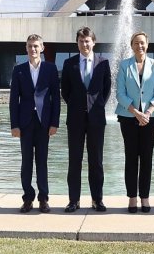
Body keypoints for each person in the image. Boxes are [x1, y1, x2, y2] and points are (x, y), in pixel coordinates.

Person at [60, 26, 111, 213]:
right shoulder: (69, 63)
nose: (84, 44)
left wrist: (95, 107)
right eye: (81, 41)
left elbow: (106, 90)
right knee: (74, 160)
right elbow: (65, 91)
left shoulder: (103, 63)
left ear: (93, 42)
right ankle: (73, 201)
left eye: (87, 41)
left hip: (96, 119)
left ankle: (97, 200)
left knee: (96, 161)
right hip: (75, 119)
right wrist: (77, 105)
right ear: (77, 43)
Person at [9, 34, 61, 213]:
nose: (33, 49)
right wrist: (14, 125)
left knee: (42, 162)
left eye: (36, 46)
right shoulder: (19, 70)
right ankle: (27, 198)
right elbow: (13, 99)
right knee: (26, 162)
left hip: (44, 123)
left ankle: (44, 198)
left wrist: (55, 123)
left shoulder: (51, 69)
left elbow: (56, 99)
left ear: (42, 48)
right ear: (26, 48)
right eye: (30, 46)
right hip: (24, 124)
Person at [115, 31, 154, 213]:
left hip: (151, 118)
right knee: (131, 158)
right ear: (131, 45)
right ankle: (132, 198)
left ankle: (145, 197)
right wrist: (136, 113)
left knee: (147, 158)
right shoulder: (124, 65)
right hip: (128, 117)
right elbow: (120, 93)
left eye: (142, 43)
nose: (140, 46)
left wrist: (148, 113)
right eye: (136, 43)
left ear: (147, 45)